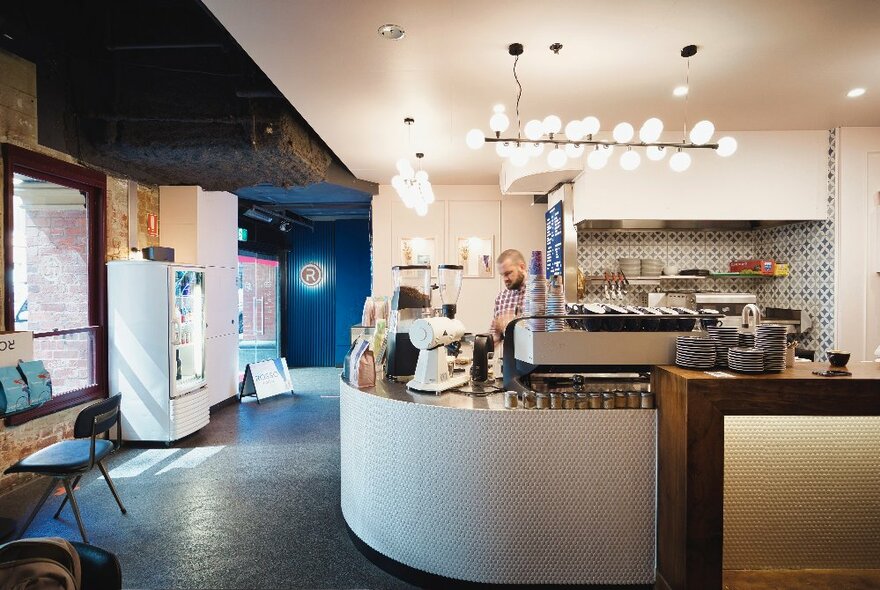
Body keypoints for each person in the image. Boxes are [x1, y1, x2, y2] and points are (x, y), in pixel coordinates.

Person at [489, 249, 527, 347]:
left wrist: (515, 322)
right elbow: (495, 338)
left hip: (538, 359)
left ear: (522, 267)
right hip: (509, 359)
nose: (505, 279)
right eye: (502, 275)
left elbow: (560, 330)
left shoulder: (545, 292)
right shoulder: (501, 298)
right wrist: (494, 337)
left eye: (508, 273)